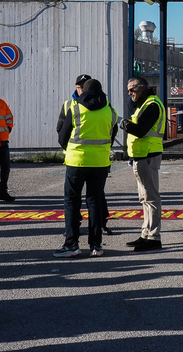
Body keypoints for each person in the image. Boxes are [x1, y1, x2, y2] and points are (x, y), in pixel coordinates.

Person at [54, 79, 118, 258]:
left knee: (72, 202)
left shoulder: (75, 109)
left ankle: (72, 245)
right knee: (95, 202)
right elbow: (111, 138)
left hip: (76, 162)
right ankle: (96, 246)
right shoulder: (110, 112)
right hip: (100, 162)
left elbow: (62, 138)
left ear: (84, 91)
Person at [121, 77, 165, 252]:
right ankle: (145, 234)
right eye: (128, 90)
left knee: (151, 198)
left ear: (143, 87)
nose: (130, 93)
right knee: (145, 198)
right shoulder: (144, 103)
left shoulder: (152, 105)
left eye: (132, 89)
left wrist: (125, 124)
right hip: (140, 156)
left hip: (147, 155)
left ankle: (153, 237)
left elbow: (140, 130)